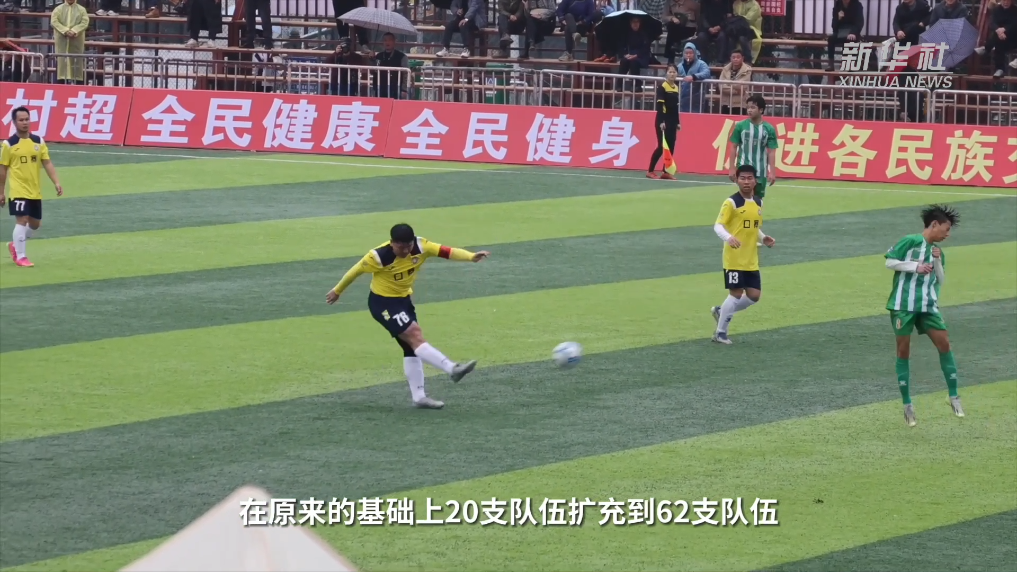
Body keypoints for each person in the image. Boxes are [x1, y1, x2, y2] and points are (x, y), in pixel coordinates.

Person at [325, 224, 489, 409]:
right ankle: (452, 368)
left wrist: (471, 256)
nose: (405, 251)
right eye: (400, 247)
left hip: (403, 301)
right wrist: (337, 291)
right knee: (414, 334)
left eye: (408, 246)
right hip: (383, 303)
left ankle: (419, 397)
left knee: (411, 347)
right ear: (392, 243)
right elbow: (355, 271)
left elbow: (447, 251)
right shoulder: (378, 257)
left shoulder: (422, 246)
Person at [885, 205, 964, 427]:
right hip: (903, 306)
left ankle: (954, 396)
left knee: (944, 344)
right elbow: (889, 261)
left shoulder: (938, 251)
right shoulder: (910, 241)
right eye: (946, 229)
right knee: (903, 351)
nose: (947, 235)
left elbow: (941, 279)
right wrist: (915, 267)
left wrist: (937, 261)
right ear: (934, 224)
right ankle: (907, 405)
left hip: (928, 306)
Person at [710, 165, 774, 345]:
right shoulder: (731, 202)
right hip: (734, 257)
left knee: (754, 296)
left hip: (751, 258)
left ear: (755, 181)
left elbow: (753, 227)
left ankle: (721, 311)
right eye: (742, 178)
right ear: (737, 180)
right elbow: (718, 225)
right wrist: (728, 238)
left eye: (749, 178)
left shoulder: (758, 202)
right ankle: (720, 333)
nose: (746, 182)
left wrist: (763, 237)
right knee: (736, 293)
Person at [0, 107, 64, 268]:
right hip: (18, 190)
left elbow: (47, 162)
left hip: (34, 191)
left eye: (27, 119)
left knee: (35, 224)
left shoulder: (38, 142)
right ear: (14, 122)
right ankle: (21, 256)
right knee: (22, 219)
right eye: (21, 120)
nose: (25, 122)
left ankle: (15, 244)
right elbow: (3, 169)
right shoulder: (9, 144)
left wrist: (56, 182)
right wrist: (1, 192)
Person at [727, 94, 777, 203]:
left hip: (761, 169)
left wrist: (772, 172)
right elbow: (733, 147)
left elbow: (772, 151)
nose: (749, 110)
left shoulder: (769, 129)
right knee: (745, 198)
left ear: (761, 110)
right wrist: (731, 168)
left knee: (758, 200)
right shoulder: (740, 126)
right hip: (743, 167)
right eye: (748, 107)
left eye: (753, 107)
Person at [646, 64, 681, 180]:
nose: (672, 74)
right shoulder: (662, 87)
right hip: (663, 120)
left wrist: (677, 122)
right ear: (666, 73)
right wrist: (661, 121)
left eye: (674, 72)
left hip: (672, 121)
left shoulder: (676, 87)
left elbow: (675, 108)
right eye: (670, 72)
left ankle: (666, 171)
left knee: (671, 146)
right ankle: (650, 171)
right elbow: (660, 106)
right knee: (662, 147)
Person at [50, 0, 89, 85]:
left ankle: (79, 88)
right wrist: (65, 31)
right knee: (61, 67)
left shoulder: (82, 10)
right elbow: (54, 22)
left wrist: (75, 31)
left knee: (77, 66)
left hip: (76, 42)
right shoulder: (58, 9)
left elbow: (84, 22)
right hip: (62, 42)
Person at [826, 0, 865, 71]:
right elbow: (834, 26)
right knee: (831, 39)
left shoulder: (857, 5)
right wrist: (838, 18)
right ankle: (831, 64)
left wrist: (853, 33)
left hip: (853, 31)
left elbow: (860, 22)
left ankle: (850, 64)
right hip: (841, 31)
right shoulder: (837, 5)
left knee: (850, 40)